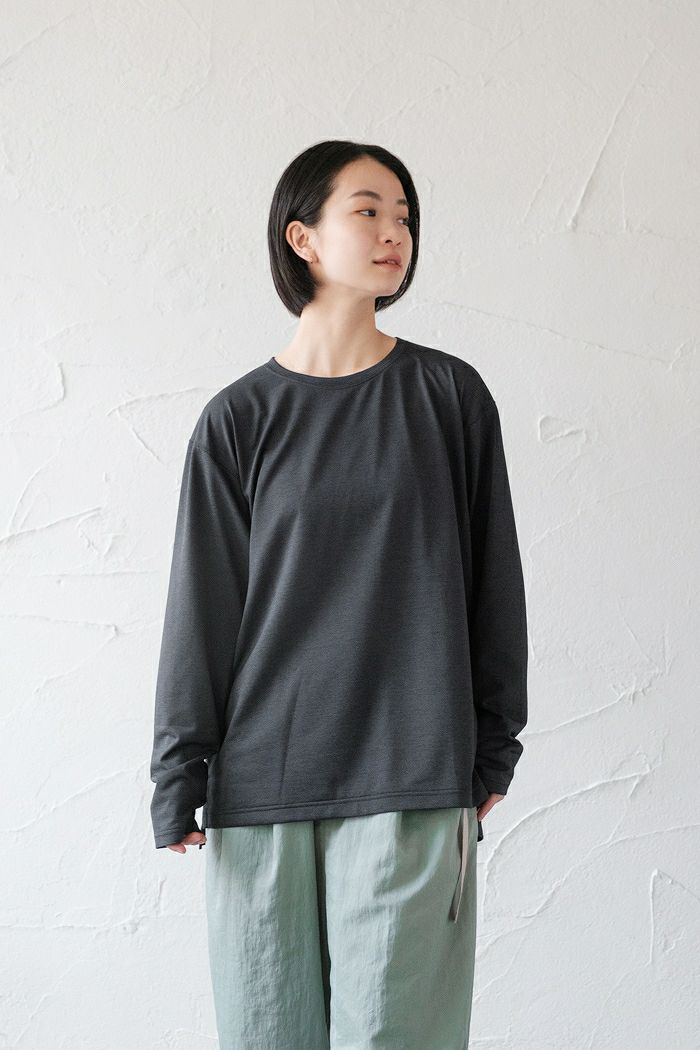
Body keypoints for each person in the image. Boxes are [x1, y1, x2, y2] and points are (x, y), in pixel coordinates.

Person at [149, 139, 528, 1049]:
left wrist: (494, 743)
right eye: (369, 211)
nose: (395, 232)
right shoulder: (239, 420)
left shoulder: (449, 398)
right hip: (261, 787)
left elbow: (494, 582)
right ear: (303, 237)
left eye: (405, 217)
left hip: (412, 774)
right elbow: (203, 607)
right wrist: (178, 770)